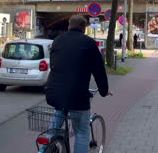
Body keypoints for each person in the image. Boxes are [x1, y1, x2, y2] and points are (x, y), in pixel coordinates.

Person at [45, 15, 111, 153]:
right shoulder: (89, 43)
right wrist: (104, 90)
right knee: (81, 131)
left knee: (56, 123)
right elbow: (99, 70)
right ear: (84, 28)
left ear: (69, 26)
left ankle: (49, 144)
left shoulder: (57, 41)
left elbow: (54, 65)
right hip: (77, 97)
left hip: (54, 94)